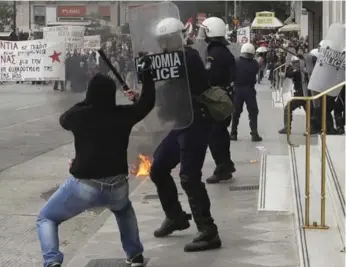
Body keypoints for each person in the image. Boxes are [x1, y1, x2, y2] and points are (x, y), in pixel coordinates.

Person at [36, 62, 156, 267]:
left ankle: (52, 261)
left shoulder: (79, 115)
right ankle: (135, 255)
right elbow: (146, 104)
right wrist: (147, 79)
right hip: (117, 185)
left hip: (85, 186)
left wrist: (88, 101)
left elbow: (64, 118)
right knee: (123, 209)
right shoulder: (123, 115)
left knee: (46, 218)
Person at [148, 17, 221, 252]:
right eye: (161, 40)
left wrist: (150, 65)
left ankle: (208, 231)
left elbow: (177, 70)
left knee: (189, 177)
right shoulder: (166, 61)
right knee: (158, 168)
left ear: (178, 37)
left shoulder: (188, 57)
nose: (163, 44)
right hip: (179, 124)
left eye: (167, 39)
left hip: (196, 124)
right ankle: (176, 216)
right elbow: (164, 89)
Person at [196, 17, 236, 184]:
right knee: (220, 133)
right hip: (225, 98)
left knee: (215, 135)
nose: (201, 34)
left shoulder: (214, 54)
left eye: (203, 31)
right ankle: (226, 164)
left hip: (217, 101)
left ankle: (222, 167)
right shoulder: (223, 51)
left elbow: (208, 77)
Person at [230, 43, 263, 142]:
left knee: (235, 112)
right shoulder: (254, 64)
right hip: (249, 90)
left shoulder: (236, 62)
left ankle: (233, 133)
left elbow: (232, 75)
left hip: (238, 89)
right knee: (253, 112)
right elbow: (256, 73)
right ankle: (254, 134)